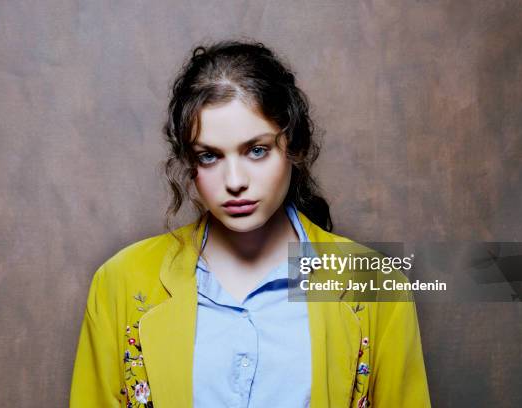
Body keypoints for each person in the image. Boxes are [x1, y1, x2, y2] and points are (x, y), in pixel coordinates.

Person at [69, 40, 431, 408]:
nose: (235, 181)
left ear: (294, 146)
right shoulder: (121, 282)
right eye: (209, 156)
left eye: (256, 150)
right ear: (189, 163)